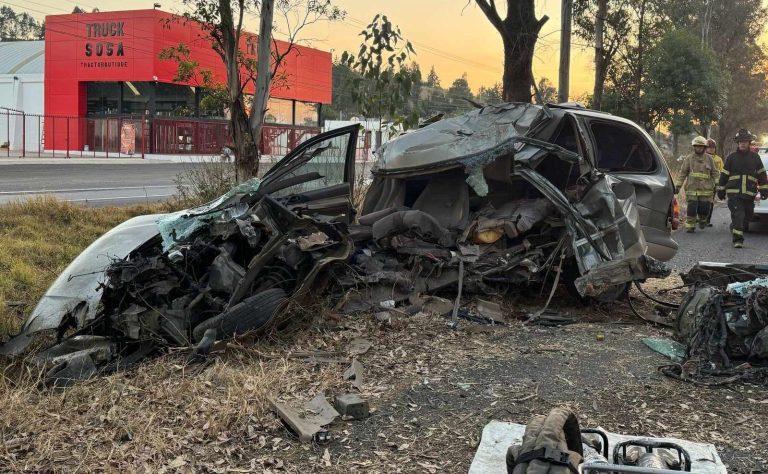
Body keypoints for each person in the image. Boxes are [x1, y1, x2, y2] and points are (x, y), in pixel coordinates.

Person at [717, 128, 768, 248]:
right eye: (740, 141)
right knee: (738, 215)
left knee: (748, 216)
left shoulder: (755, 158)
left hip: (749, 194)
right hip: (734, 194)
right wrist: (721, 189)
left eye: (745, 141)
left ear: (749, 143)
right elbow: (724, 175)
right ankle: (738, 240)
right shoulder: (731, 158)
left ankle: (735, 226)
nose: (742, 143)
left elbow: (762, 175)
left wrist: (764, 189)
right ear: (737, 143)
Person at [675, 136, 719, 233]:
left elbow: (715, 173)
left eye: (701, 146)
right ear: (694, 147)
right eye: (697, 146)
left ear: (704, 147)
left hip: (706, 190)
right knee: (692, 207)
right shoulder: (689, 159)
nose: (698, 148)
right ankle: (690, 226)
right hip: (692, 188)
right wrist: (678, 186)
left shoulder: (709, 159)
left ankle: (703, 220)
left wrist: (718, 184)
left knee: (704, 208)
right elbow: (683, 173)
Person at [705, 138, 724, 226]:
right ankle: (700, 218)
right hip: (701, 183)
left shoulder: (718, 159)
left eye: (713, 147)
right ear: (705, 148)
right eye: (709, 147)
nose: (711, 149)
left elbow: (722, 171)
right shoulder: (702, 157)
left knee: (710, 202)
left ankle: (707, 220)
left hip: (713, 184)